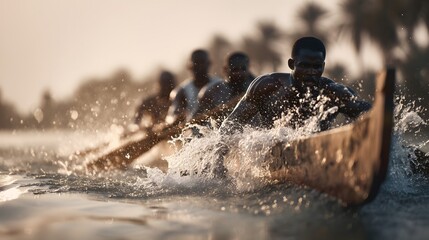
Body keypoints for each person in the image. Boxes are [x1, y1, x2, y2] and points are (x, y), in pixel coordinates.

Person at [219, 36, 371, 135]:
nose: (311, 72)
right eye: (304, 66)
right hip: (270, 154)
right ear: (292, 64)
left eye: (317, 67)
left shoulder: (332, 92)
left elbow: (365, 113)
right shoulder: (267, 86)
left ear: (323, 67)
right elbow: (229, 127)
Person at [192, 51, 255, 124]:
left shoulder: (258, 89)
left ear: (249, 68)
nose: (239, 73)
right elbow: (194, 122)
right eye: (235, 69)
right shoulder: (212, 92)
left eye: (243, 69)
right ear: (225, 69)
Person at [165, 49, 221, 125]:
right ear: (189, 67)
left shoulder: (220, 85)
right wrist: (177, 119)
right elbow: (170, 118)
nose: (200, 67)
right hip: (194, 129)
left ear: (209, 64)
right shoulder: (181, 91)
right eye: (196, 63)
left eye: (202, 63)